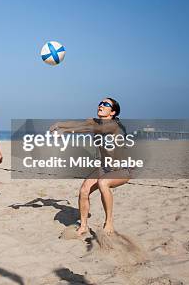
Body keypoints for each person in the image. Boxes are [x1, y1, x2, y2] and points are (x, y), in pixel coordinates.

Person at [50, 97, 130, 235]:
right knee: (84, 190)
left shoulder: (112, 125)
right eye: (100, 103)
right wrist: (60, 124)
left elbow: (88, 128)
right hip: (104, 168)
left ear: (113, 112)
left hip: (122, 170)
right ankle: (83, 226)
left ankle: (109, 223)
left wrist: (65, 132)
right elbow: (77, 124)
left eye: (106, 104)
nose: (101, 105)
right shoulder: (94, 121)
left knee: (103, 183)